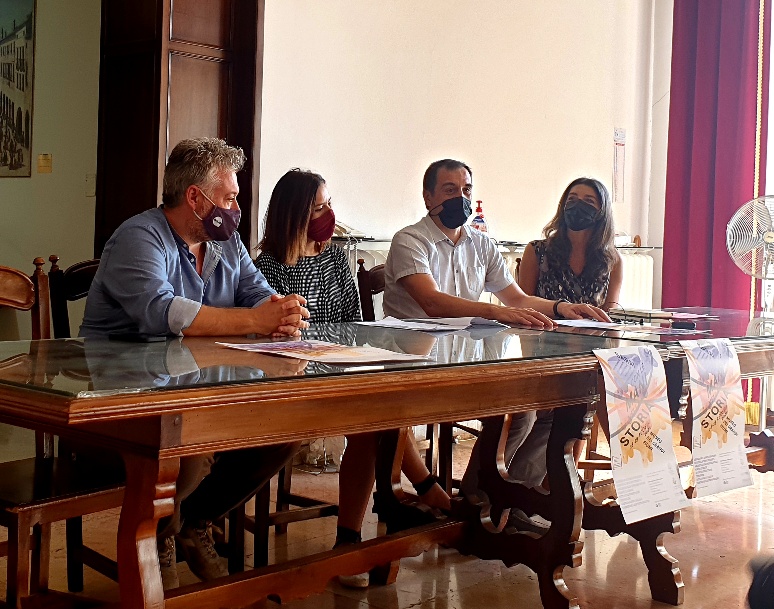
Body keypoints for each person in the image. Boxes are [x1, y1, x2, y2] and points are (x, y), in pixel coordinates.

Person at [80, 137, 310, 590]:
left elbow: (257, 292)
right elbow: (161, 312)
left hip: (201, 389)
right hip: (121, 398)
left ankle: (193, 520)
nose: (237, 208)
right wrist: (255, 320)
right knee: (188, 448)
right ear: (195, 197)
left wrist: (280, 312)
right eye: (230, 197)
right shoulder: (139, 237)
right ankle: (161, 534)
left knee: (287, 429)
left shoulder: (226, 242)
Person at [383, 159, 609, 530]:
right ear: (428, 197)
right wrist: (494, 310)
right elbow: (432, 302)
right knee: (520, 412)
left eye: (466, 190)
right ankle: (482, 503)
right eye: (450, 190)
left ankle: (492, 501)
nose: (460, 198)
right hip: (417, 365)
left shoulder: (482, 244)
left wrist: (560, 308)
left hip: (469, 361)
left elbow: (516, 298)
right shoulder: (410, 240)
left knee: (536, 409)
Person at [256, 168, 449, 587]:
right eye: (319, 207)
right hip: (292, 378)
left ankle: (349, 539)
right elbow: (273, 333)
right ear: (294, 214)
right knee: (377, 414)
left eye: (329, 204)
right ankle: (423, 491)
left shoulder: (335, 259)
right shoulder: (267, 266)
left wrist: (351, 357)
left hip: (339, 368)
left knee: (381, 406)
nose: (329, 214)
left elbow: (354, 324)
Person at [517, 177, 622, 311]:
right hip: (545, 323)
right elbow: (523, 305)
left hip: (592, 325)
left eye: (589, 201)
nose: (578, 205)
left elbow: (610, 312)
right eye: (572, 199)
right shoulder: (537, 251)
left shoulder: (613, 259)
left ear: (602, 212)